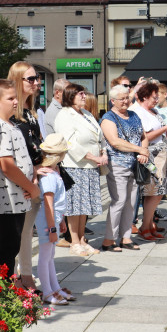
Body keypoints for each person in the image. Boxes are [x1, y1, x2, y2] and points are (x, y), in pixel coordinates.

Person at [0, 78, 38, 279]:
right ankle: (0, 292)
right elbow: (6, 165)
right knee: (7, 247)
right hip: (8, 197)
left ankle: (5, 289)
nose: (16, 102)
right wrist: (31, 188)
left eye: (16, 97)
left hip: (18, 196)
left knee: (12, 245)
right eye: (10, 98)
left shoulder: (10, 124)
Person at [55, 83, 106, 256]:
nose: (84, 96)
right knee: (74, 205)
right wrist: (93, 157)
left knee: (85, 205)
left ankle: (83, 239)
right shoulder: (64, 115)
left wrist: (103, 153)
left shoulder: (87, 114)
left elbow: (100, 137)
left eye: (84, 93)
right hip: (74, 165)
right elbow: (69, 142)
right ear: (70, 96)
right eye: (80, 94)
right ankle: (74, 241)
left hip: (91, 166)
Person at [100, 84, 149, 251]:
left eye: (127, 97)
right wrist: (139, 150)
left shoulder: (134, 115)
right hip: (117, 164)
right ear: (113, 101)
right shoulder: (108, 118)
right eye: (122, 99)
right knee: (119, 201)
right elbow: (114, 142)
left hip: (135, 165)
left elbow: (143, 136)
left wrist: (144, 151)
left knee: (131, 203)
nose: (126, 101)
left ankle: (126, 237)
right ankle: (109, 239)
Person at [130, 82, 167, 241]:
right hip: (150, 156)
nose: (157, 99)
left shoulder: (153, 111)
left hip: (160, 155)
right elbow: (145, 137)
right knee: (153, 192)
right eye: (154, 96)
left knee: (158, 192)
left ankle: (149, 223)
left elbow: (159, 136)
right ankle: (145, 226)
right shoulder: (138, 112)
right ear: (144, 96)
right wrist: (165, 129)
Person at [34, 134, 75, 305]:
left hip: (52, 220)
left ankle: (54, 288)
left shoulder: (53, 173)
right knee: (45, 256)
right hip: (47, 222)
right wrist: (52, 227)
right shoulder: (50, 176)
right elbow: (49, 203)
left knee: (50, 255)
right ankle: (47, 291)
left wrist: (60, 221)